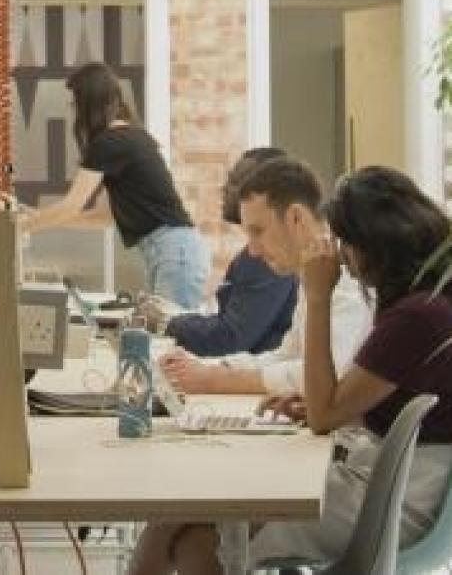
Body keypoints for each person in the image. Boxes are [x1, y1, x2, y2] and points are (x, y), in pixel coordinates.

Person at [130, 165, 452, 575]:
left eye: (346, 245)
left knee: (197, 538)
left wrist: (319, 297)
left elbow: (324, 416)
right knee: (176, 512)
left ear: (374, 242)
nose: (344, 261)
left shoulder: (416, 317)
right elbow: (357, 401)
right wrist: (335, 406)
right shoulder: (422, 304)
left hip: (390, 499)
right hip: (379, 480)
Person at [157, 156, 371, 398]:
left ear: (296, 218)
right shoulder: (312, 271)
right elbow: (287, 356)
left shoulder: (345, 278)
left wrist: (214, 380)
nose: (253, 250)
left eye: (258, 231)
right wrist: (210, 369)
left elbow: (330, 374)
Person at [17, 61, 208, 309]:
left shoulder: (109, 143)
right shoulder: (129, 137)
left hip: (173, 253)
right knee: (167, 338)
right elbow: (107, 217)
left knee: (174, 341)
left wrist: (20, 227)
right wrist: (43, 218)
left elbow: (72, 206)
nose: (74, 110)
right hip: (174, 251)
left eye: (76, 103)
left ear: (88, 104)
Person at [139, 147, 297, 357]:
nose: (253, 249)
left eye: (258, 231)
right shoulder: (260, 255)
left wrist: (168, 322)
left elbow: (231, 337)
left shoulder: (272, 259)